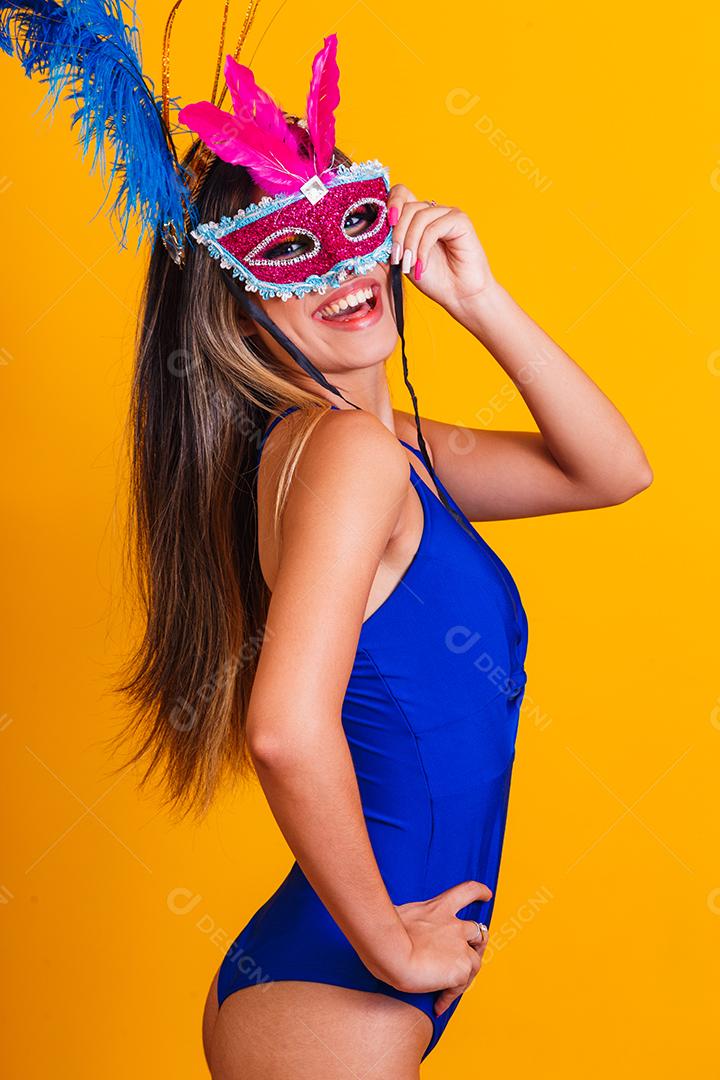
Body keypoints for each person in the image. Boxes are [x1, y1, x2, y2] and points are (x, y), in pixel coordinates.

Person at [1, 10, 652, 1078]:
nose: (338, 269)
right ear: (238, 301)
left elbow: (610, 471)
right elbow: (286, 731)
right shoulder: (346, 455)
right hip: (339, 986)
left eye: (354, 223)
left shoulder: (377, 446)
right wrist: (390, 943)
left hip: (337, 979)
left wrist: (476, 297)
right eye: (287, 253)